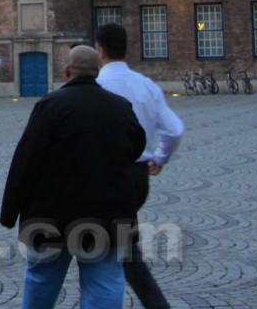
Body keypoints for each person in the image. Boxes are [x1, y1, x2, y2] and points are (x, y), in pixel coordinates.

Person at [1, 45, 146, 309]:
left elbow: (25, 161)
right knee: (105, 281)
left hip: (52, 214)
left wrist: (9, 213)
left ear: (67, 71)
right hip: (107, 212)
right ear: (98, 71)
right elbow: (137, 148)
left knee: (42, 279)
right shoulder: (120, 107)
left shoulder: (50, 106)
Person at [96, 22, 184, 309]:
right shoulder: (145, 85)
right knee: (118, 246)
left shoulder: (97, 87)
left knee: (115, 249)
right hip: (137, 178)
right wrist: (159, 157)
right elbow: (174, 130)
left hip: (105, 178)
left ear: (101, 50)